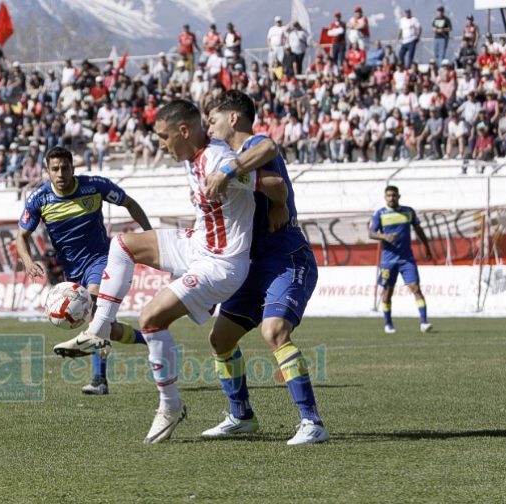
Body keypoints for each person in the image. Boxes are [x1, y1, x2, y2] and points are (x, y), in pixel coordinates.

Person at [54, 100, 283, 443]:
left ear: (183, 132)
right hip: (197, 244)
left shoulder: (217, 160)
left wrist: (275, 204)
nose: (160, 144)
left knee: (151, 318)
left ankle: (170, 407)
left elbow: (275, 180)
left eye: (163, 137)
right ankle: (99, 329)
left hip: (221, 264)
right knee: (122, 244)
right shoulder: (194, 156)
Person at [202, 90, 329, 445]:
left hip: (285, 257)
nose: (208, 127)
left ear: (233, 118)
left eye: (212, 119)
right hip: (250, 264)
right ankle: (240, 416)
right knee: (220, 339)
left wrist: (232, 173)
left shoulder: (253, 146)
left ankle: (312, 422)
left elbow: (271, 153)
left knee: (274, 332)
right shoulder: (230, 158)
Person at [16, 147, 152, 395]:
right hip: (72, 270)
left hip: (101, 260)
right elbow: (21, 236)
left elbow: (129, 203)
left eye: (64, 168)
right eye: (54, 169)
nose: (60, 173)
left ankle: (99, 379)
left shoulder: (94, 186)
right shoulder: (39, 199)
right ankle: (151, 339)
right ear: (47, 171)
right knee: (105, 325)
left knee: (93, 309)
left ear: (73, 168)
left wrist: (149, 232)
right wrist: (27, 261)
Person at [369, 186, 433, 334]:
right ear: (385, 198)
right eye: (388, 196)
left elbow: (418, 229)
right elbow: (371, 233)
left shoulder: (408, 212)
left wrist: (427, 246)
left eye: (394, 195)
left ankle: (424, 322)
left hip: (407, 259)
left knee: (416, 288)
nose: (391, 198)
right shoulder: (380, 214)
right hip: (388, 260)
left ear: (399, 196)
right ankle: (388, 324)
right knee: (387, 292)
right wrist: (384, 236)